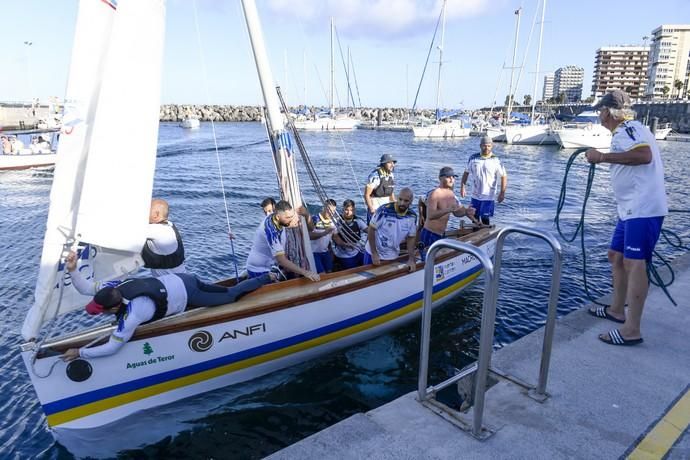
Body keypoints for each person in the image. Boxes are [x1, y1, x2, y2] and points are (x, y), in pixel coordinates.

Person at [60, 251, 276, 361]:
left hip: (188, 291)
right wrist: (72, 269)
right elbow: (85, 287)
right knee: (219, 290)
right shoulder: (110, 288)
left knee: (230, 295)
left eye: (101, 311)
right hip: (180, 279)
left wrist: (80, 353)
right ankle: (253, 278)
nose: (98, 312)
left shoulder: (135, 312)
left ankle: (268, 276)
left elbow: (114, 347)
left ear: (113, 308)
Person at [584, 89, 668, 346]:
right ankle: (617, 310)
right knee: (616, 256)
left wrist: (602, 158)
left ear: (608, 112)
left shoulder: (629, 129)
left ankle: (632, 329)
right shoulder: (627, 131)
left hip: (642, 209)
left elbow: (644, 156)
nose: (599, 114)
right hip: (630, 209)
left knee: (635, 264)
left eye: (601, 110)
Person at [245, 200, 320, 281]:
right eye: (288, 218)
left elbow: (311, 228)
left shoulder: (283, 218)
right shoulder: (271, 232)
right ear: (278, 217)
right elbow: (281, 260)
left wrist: (306, 214)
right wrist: (306, 273)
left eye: (292, 216)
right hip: (259, 270)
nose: (291, 219)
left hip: (271, 266)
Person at [420, 167, 476, 258]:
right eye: (448, 177)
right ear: (440, 178)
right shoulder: (435, 194)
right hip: (430, 234)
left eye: (453, 177)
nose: (452, 179)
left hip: (441, 235)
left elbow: (456, 213)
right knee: (427, 262)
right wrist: (448, 209)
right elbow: (430, 215)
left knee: (437, 262)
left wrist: (466, 212)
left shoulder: (451, 194)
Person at [364, 187, 417, 273]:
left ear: (411, 201)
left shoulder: (412, 216)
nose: (402, 203)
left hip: (392, 255)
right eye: (400, 199)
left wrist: (411, 258)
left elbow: (411, 237)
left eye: (406, 201)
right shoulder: (383, 210)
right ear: (397, 197)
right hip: (373, 254)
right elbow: (371, 229)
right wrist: (374, 253)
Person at [460, 135, 507, 225]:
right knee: (474, 216)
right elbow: (466, 173)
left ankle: (485, 234)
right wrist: (463, 187)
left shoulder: (496, 160)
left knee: (485, 218)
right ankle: (475, 235)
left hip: (488, 196)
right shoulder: (473, 158)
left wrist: (502, 193)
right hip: (475, 195)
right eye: (484, 145)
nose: (486, 148)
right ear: (480, 145)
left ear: (492, 146)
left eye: (489, 145)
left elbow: (503, 176)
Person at [142, 199, 187, 276]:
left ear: (156, 214)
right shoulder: (169, 225)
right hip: (181, 279)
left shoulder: (158, 230)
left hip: (172, 285)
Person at [332, 199, 367, 269]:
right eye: (346, 210)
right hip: (344, 254)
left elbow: (369, 230)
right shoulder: (337, 222)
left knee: (368, 262)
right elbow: (335, 237)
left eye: (351, 210)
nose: (349, 212)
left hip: (357, 251)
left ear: (354, 210)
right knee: (353, 270)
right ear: (343, 209)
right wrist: (345, 244)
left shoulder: (358, 221)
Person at [364, 153, 396, 223]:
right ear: (384, 163)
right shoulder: (375, 176)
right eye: (389, 163)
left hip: (386, 209)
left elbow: (391, 192)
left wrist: (395, 205)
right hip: (375, 209)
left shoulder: (391, 175)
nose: (392, 165)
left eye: (393, 163)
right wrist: (371, 209)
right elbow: (367, 194)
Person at [309, 199, 337, 273]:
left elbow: (335, 237)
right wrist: (324, 233)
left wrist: (346, 244)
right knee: (322, 274)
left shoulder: (333, 221)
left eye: (333, 211)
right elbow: (309, 236)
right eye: (329, 210)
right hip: (314, 252)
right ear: (324, 207)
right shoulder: (314, 219)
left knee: (330, 271)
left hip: (325, 252)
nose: (331, 213)